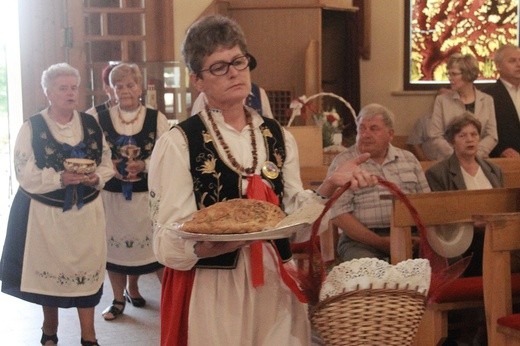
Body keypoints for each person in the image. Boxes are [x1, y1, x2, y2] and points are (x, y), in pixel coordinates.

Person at [148, 15, 377, 346]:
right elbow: (165, 239)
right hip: (215, 287)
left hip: (275, 279)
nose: (234, 72)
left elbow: (295, 224)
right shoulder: (179, 143)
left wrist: (327, 187)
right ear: (198, 80)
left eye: (239, 61)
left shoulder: (278, 136)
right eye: (219, 66)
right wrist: (205, 247)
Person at [0, 63, 114, 346]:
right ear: (48, 92)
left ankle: (89, 336)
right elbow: (24, 172)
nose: (70, 93)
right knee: (49, 276)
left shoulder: (90, 124)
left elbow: (107, 163)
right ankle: (49, 330)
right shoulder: (33, 127)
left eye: (74, 87)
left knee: (85, 275)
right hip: (45, 216)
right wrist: (60, 178)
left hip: (86, 214)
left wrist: (95, 177)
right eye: (63, 88)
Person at [95, 63, 168, 321]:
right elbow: (87, 149)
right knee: (116, 249)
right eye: (119, 86)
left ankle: (134, 288)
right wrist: (107, 164)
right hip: (112, 196)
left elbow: (167, 155)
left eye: (130, 85)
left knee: (144, 249)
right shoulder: (97, 116)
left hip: (144, 197)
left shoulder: (156, 118)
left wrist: (145, 165)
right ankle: (117, 299)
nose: (125, 90)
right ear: (111, 90)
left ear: (140, 87)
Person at [424, 113, 501, 346]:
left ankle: (493, 330)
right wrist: (471, 222)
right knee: (487, 256)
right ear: (452, 140)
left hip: (493, 237)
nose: (470, 140)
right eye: (463, 135)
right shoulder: (438, 173)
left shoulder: (493, 170)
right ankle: (470, 335)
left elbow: (502, 204)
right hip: (461, 242)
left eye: (474, 134)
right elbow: (440, 215)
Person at [329, 103, 431, 262]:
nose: (366, 134)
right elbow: (338, 215)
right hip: (361, 241)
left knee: (448, 259)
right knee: (368, 272)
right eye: (362, 128)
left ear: (390, 134)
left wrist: (419, 236)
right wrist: (381, 243)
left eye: (373, 128)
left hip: (409, 236)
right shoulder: (344, 162)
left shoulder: (409, 160)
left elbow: (427, 203)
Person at [424, 53, 497, 160]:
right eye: (449, 74)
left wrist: (475, 155)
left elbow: (492, 136)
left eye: (454, 74)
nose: (450, 78)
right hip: (449, 161)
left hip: (479, 161)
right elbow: (435, 135)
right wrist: (456, 156)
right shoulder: (442, 100)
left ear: (468, 74)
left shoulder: (487, 100)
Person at [483, 44, 520, 158]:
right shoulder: (487, 95)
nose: (518, 64)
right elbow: (483, 132)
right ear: (498, 66)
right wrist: (501, 150)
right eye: (512, 61)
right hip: (506, 160)